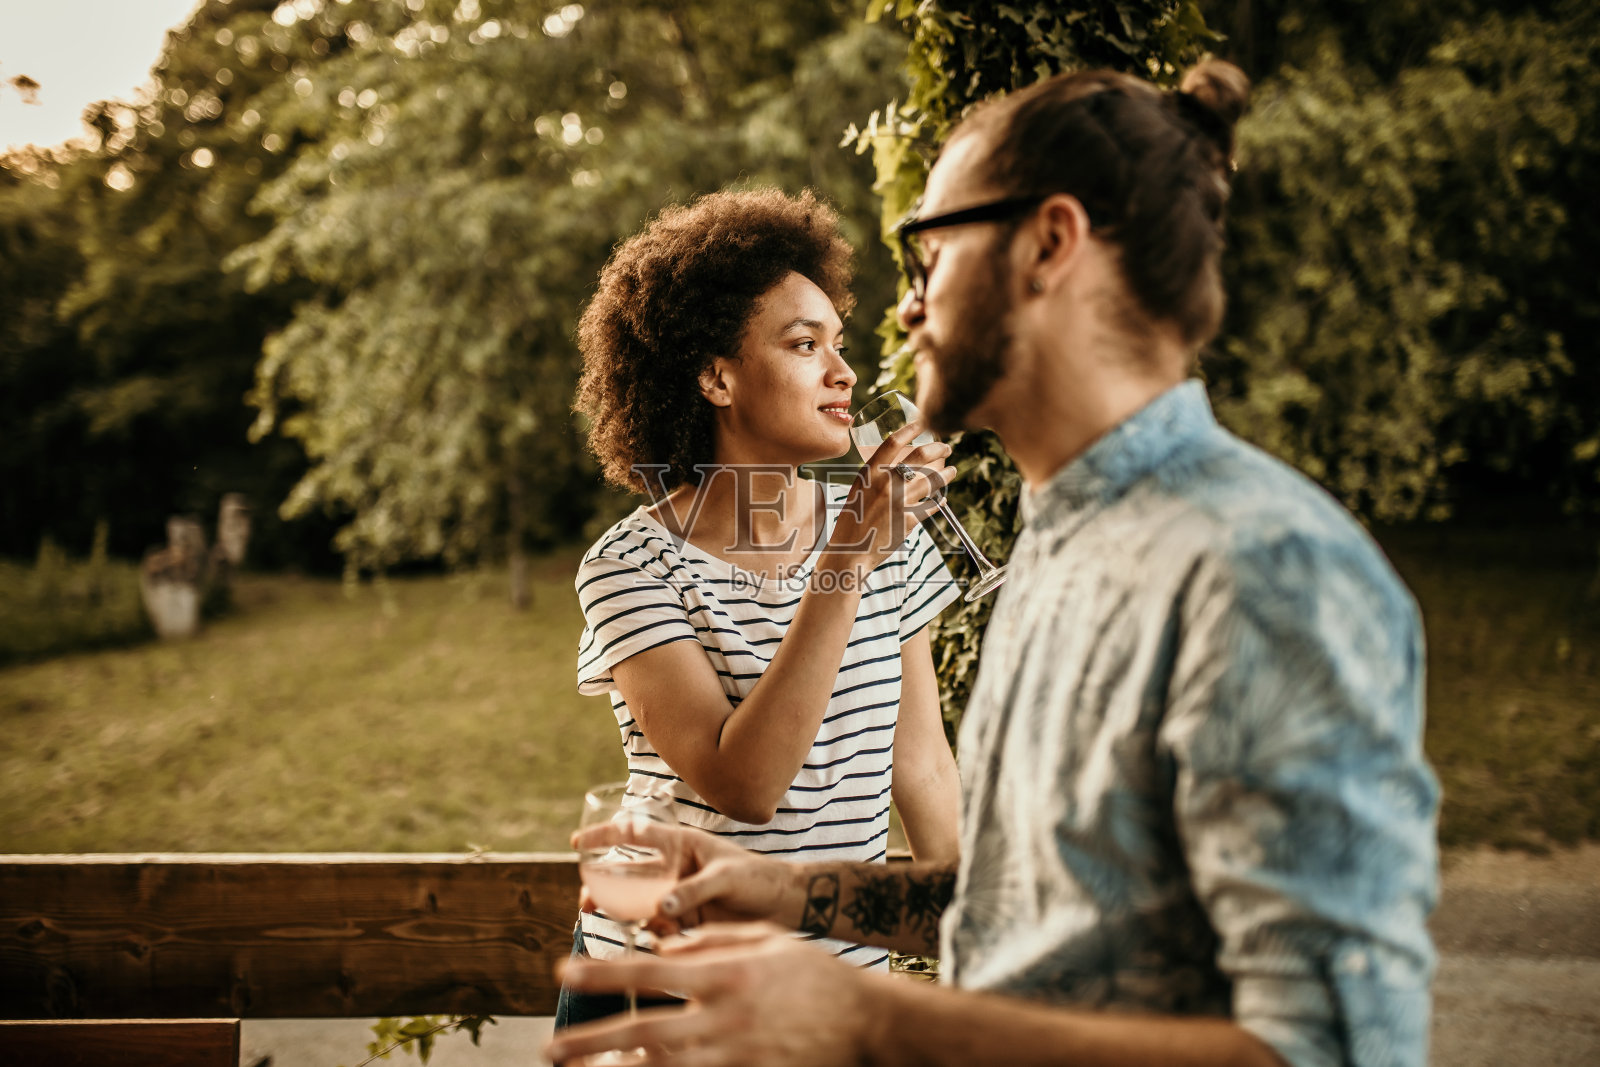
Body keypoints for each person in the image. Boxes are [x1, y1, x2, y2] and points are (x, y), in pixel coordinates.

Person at [546, 60, 1440, 1067]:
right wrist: (783, 889)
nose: (904, 311)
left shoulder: (1264, 571)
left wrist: (873, 1019)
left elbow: (1327, 1046)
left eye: (928, 252)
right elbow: (1013, 905)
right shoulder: (1059, 545)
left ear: (1049, 243)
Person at [556, 187, 965, 1028]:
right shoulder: (632, 566)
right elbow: (748, 783)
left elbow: (921, 762)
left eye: (838, 343)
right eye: (804, 345)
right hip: (665, 997)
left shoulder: (884, 531)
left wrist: (984, 953)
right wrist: (848, 557)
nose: (843, 372)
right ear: (717, 377)